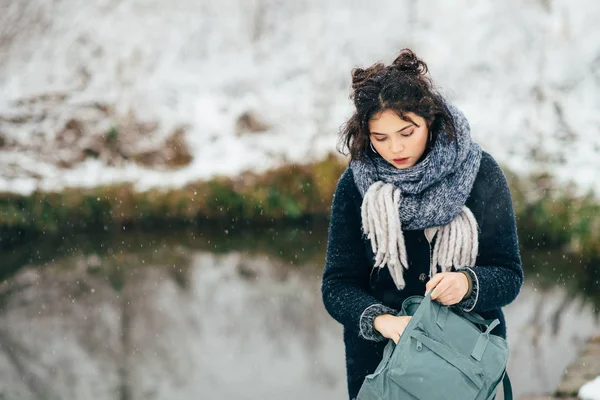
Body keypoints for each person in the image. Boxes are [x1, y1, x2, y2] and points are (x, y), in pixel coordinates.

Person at [320, 48, 524, 400]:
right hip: (382, 368)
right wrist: (381, 321)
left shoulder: (480, 174)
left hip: (467, 366)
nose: (395, 148)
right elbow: (337, 286)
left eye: (406, 132)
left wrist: (467, 284)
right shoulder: (356, 187)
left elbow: (509, 275)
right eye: (379, 138)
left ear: (429, 119)